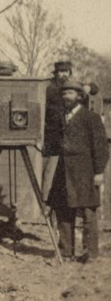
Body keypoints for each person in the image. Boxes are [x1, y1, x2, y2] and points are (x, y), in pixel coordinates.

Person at [46, 81, 108, 263]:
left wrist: (98, 172)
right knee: (63, 211)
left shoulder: (91, 117)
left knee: (88, 213)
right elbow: (55, 144)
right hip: (64, 171)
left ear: (79, 96)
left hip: (85, 171)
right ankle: (66, 252)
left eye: (70, 93)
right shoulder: (60, 118)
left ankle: (91, 254)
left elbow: (101, 147)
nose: (66, 97)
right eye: (64, 94)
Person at [41, 61, 99, 198]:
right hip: (53, 137)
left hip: (73, 139)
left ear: (70, 73)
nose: (64, 74)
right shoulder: (49, 88)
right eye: (61, 71)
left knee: (72, 174)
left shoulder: (73, 87)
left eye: (66, 71)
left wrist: (88, 87)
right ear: (56, 73)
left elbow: (95, 89)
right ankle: (45, 206)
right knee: (50, 173)